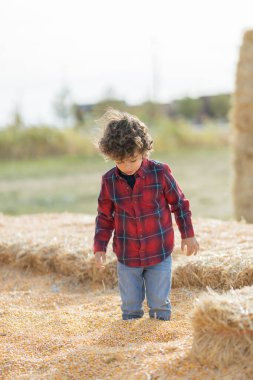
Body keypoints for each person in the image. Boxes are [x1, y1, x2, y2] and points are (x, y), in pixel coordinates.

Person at [93, 108, 199, 321]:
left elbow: (179, 204)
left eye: (132, 160)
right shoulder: (109, 181)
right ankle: (129, 344)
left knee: (159, 303)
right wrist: (99, 247)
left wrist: (188, 234)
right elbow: (104, 218)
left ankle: (159, 343)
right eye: (119, 161)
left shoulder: (160, 173)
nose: (127, 166)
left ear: (143, 150)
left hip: (158, 252)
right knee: (130, 307)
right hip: (126, 256)